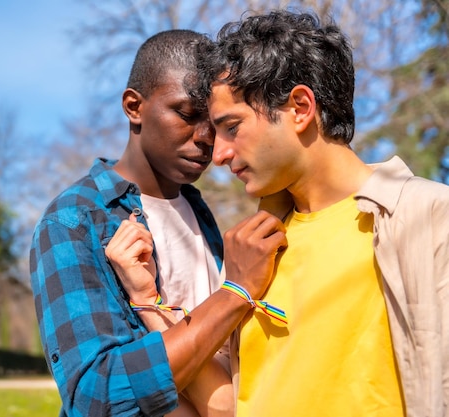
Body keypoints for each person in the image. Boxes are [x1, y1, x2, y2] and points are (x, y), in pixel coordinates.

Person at [189, 9, 447, 416]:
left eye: (232, 127)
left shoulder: (427, 216)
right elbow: (227, 405)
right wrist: (146, 296)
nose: (217, 154)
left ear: (300, 107)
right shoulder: (253, 249)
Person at [30, 29, 287, 416]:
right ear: (134, 107)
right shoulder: (72, 221)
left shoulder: (198, 209)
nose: (206, 139)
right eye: (186, 114)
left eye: (216, 123)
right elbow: (94, 396)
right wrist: (235, 292)